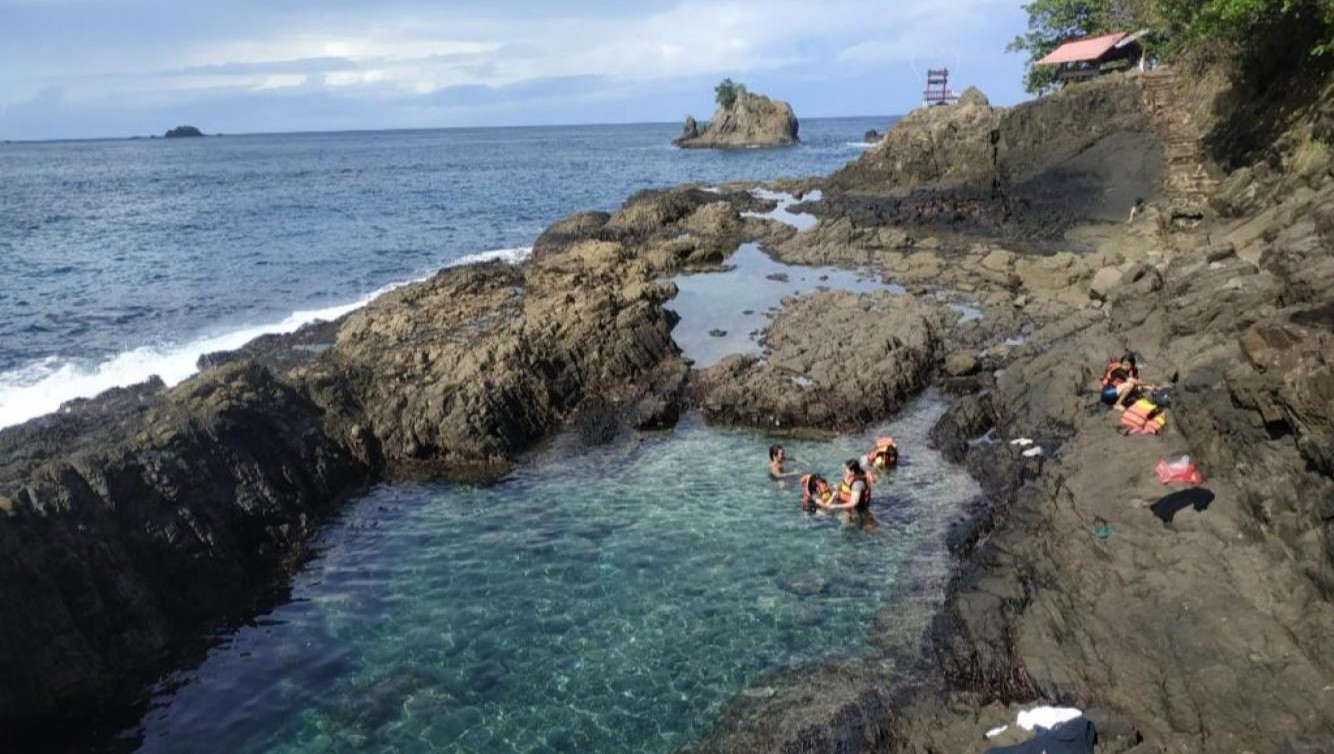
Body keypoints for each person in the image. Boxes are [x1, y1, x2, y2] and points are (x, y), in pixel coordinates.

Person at [819, 459, 877, 531]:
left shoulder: (857, 483)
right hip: (851, 508)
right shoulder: (855, 476)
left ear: (852, 472)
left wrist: (835, 506)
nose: (845, 471)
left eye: (846, 469)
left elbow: (853, 503)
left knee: (845, 526)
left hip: (858, 511)